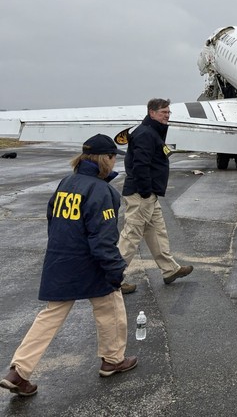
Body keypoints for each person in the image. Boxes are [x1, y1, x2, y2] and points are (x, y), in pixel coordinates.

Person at [1, 135, 138, 397]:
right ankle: (112, 359)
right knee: (111, 304)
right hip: (89, 262)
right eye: (112, 157)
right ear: (105, 159)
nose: (113, 162)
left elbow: (52, 218)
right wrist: (115, 270)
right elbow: (103, 239)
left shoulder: (67, 183)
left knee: (50, 316)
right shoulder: (103, 191)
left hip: (60, 258)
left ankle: (18, 371)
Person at [118, 98, 192, 294]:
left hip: (149, 194)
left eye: (168, 112)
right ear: (152, 113)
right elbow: (140, 165)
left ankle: (170, 270)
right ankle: (111, 278)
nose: (167, 115)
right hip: (141, 194)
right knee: (131, 235)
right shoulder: (145, 134)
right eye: (163, 112)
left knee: (157, 232)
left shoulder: (152, 132)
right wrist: (144, 191)